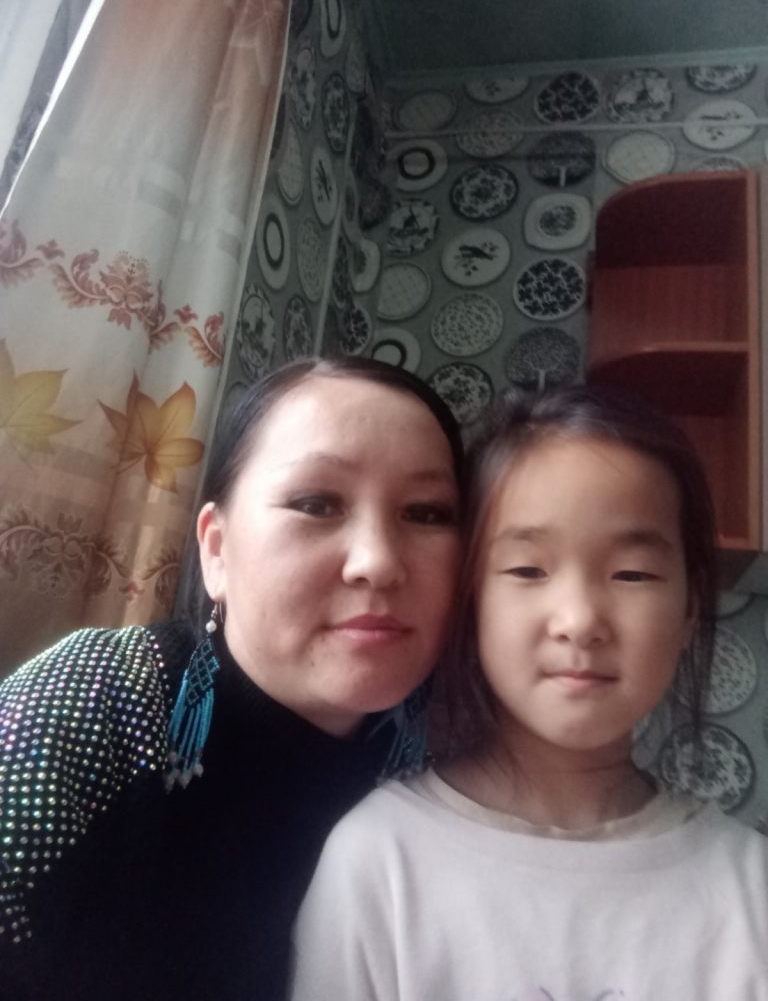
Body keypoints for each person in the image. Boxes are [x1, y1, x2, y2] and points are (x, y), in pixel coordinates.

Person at [0, 356, 463, 1001]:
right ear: (216, 549)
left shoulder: (459, 763)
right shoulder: (102, 695)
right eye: (316, 503)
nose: (378, 561)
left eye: (427, 513)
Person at [290, 385, 768, 1000]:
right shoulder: (379, 860)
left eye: (633, 573)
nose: (580, 620)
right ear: (472, 602)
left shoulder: (748, 884)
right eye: (527, 570)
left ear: (689, 611)